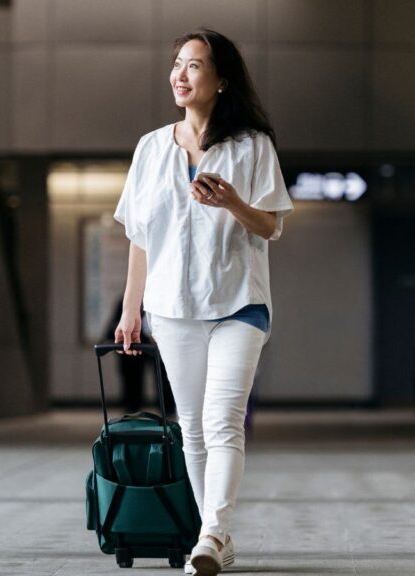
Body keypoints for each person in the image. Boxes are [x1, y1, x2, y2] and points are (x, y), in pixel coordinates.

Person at [112, 27, 294, 576]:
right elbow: (140, 237)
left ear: (221, 79)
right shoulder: (150, 148)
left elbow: (270, 227)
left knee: (222, 422)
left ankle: (212, 534)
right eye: (177, 64)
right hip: (171, 309)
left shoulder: (253, 146)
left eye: (194, 65)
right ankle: (212, 532)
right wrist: (130, 309)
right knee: (190, 427)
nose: (180, 75)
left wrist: (234, 201)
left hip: (239, 304)